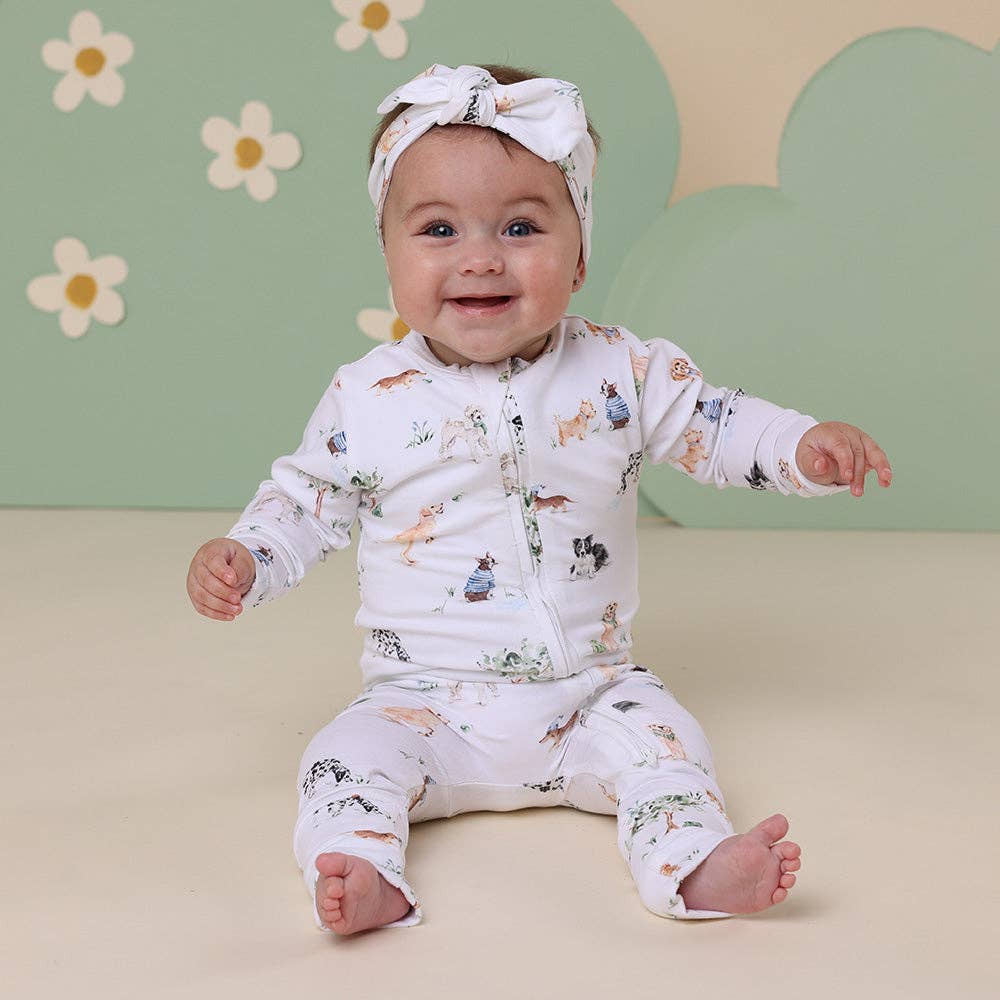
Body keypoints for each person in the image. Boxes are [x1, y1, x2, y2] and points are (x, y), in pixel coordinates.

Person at [186, 63, 893, 937]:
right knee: (342, 759)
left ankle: (692, 860)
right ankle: (362, 868)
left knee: (668, 746)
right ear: (388, 256)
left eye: (521, 227)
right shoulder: (367, 398)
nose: (481, 256)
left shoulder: (620, 370)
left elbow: (715, 424)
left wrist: (799, 447)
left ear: (581, 252)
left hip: (590, 697)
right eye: (438, 229)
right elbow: (302, 504)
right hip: (423, 705)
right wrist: (247, 558)